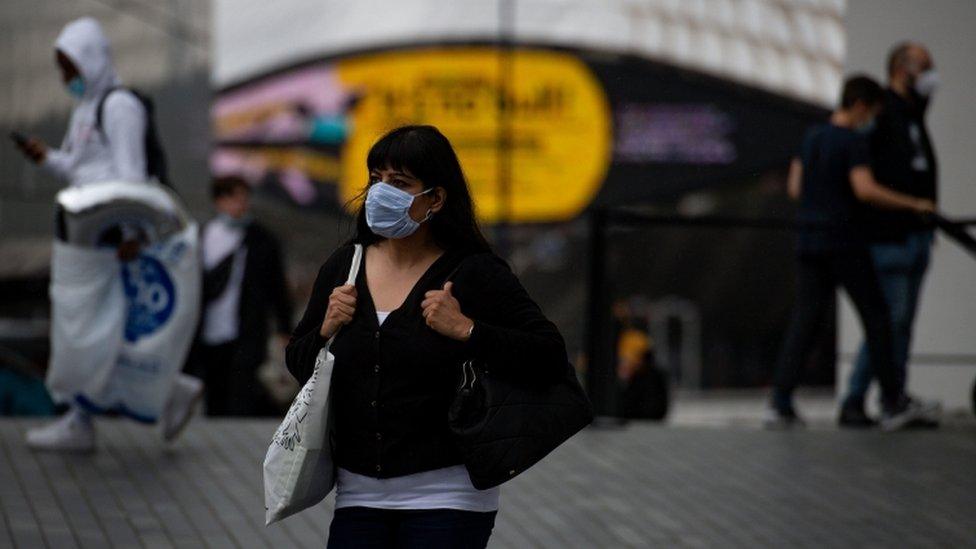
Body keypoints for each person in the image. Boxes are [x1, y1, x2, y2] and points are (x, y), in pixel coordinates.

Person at [285, 125, 569, 548]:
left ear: (435, 198)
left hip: (448, 496)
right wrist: (326, 327)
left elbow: (548, 353)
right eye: (376, 179)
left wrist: (467, 330)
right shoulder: (345, 266)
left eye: (400, 184)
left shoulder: (474, 272)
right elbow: (298, 362)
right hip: (358, 494)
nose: (381, 193)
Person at [13, 17, 201, 451]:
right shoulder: (86, 108)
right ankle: (171, 392)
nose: (65, 79)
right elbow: (81, 169)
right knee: (98, 329)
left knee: (82, 328)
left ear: (92, 60)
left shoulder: (119, 106)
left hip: (107, 237)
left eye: (70, 68)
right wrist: (46, 158)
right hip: (86, 232)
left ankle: (80, 419)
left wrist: (132, 233)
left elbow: (130, 175)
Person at [766, 75, 936, 430]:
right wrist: (913, 203)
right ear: (860, 106)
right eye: (871, 111)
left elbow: (796, 187)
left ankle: (780, 401)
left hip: (809, 241)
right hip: (844, 242)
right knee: (877, 319)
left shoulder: (812, 138)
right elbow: (865, 189)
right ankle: (892, 400)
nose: (870, 119)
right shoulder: (852, 142)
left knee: (805, 322)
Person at [843, 42, 943, 427]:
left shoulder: (912, 114)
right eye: (925, 67)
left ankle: (893, 397)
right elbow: (865, 181)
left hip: (916, 235)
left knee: (901, 324)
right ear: (903, 70)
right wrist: (911, 206)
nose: (931, 76)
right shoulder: (880, 113)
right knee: (887, 322)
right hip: (890, 236)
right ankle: (860, 397)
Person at [188, 176, 293, 416]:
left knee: (241, 390)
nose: (241, 204)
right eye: (234, 198)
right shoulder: (202, 236)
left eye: (244, 198)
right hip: (208, 329)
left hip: (247, 328)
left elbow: (277, 287)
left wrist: (284, 327)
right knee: (214, 388)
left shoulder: (261, 240)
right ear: (219, 201)